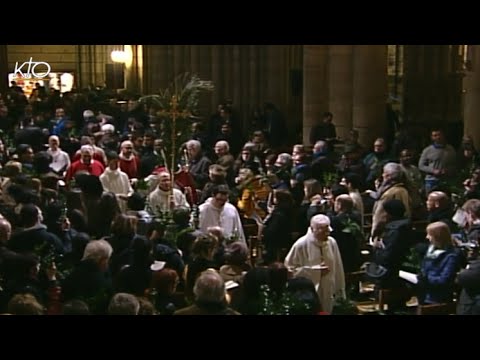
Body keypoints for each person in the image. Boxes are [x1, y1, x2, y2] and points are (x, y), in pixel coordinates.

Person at [284, 214, 345, 313]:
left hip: (328, 288)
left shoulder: (331, 242)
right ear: (313, 229)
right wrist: (314, 271)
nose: (327, 234)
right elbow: (290, 271)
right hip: (310, 293)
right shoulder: (301, 245)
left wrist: (340, 289)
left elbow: (338, 266)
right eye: (323, 231)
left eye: (328, 230)